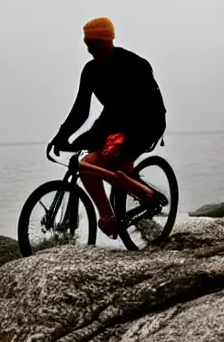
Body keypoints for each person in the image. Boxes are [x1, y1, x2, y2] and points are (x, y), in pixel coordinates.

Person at [48, 16, 167, 238]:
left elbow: (145, 106)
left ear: (108, 40)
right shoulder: (91, 70)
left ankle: (111, 217)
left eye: (94, 44)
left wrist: (103, 138)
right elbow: (81, 110)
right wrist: (62, 136)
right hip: (115, 122)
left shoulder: (134, 64)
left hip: (146, 122)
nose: (90, 49)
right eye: (87, 45)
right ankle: (132, 210)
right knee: (106, 163)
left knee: (90, 164)